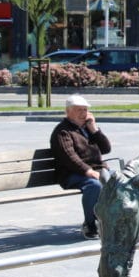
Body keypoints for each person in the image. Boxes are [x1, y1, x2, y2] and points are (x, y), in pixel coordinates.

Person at [50, 94, 111, 239]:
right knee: (94, 185)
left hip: (96, 170)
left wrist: (94, 129)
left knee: (120, 180)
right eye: (79, 110)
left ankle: (112, 221)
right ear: (68, 112)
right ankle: (90, 224)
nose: (83, 113)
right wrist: (88, 171)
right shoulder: (62, 131)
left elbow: (106, 148)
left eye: (85, 110)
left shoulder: (87, 128)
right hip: (70, 174)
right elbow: (70, 158)